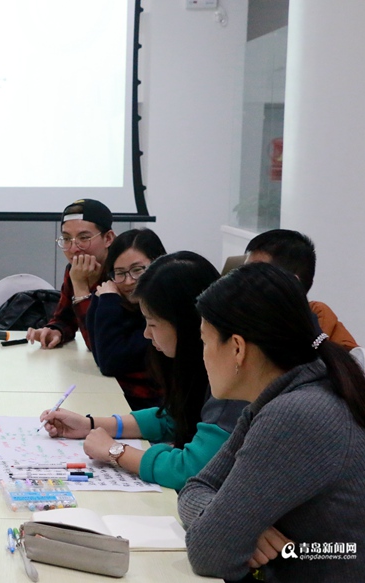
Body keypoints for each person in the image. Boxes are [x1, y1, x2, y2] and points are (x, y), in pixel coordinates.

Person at [179, 262, 365, 582]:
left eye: (205, 341)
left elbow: (210, 553)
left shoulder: (297, 415)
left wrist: (229, 529)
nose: (203, 355)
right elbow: (197, 486)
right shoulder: (285, 396)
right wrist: (238, 528)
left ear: (237, 348)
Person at [40, 252, 245, 491]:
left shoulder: (230, 382)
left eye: (153, 323)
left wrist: (115, 451)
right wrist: (89, 424)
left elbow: (189, 468)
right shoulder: (195, 366)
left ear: (187, 323)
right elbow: (173, 417)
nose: (146, 334)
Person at [245, 229, 365, 352]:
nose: (243, 279)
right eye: (243, 271)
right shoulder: (242, 318)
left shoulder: (321, 319)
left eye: (254, 273)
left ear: (290, 284)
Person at [86, 229, 166, 410]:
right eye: (120, 273)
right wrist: (101, 298)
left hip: (156, 406)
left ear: (158, 264)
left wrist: (108, 301)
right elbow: (97, 349)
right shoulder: (124, 302)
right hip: (127, 399)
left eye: (137, 270)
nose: (129, 281)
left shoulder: (165, 311)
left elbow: (110, 362)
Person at [27, 199, 115, 349]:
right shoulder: (75, 269)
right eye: (67, 239)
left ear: (108, 238)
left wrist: (80, 286)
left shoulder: (123, 272)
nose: (73, 249)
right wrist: (56, 330)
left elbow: (99, 344)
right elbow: (65, 318)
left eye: (84, 238)